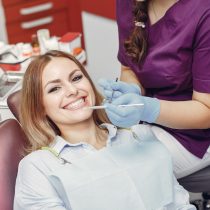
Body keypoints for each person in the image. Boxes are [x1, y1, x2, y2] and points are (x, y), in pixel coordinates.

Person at [14, 50, 195, 210]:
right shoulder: (38, 167)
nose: (72, 90)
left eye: (76, 78)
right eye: (54, 88)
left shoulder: (140, 135)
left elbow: (179, 204)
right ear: (40, 107)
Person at [98, 0, 210, 179]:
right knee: (95, 161)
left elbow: (206, 111)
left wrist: (148, 108)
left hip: (196, 136)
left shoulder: (204, 12)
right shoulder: (128, 3)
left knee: (119, 177)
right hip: (149, 123)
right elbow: (128, 68)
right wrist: (132, 90)